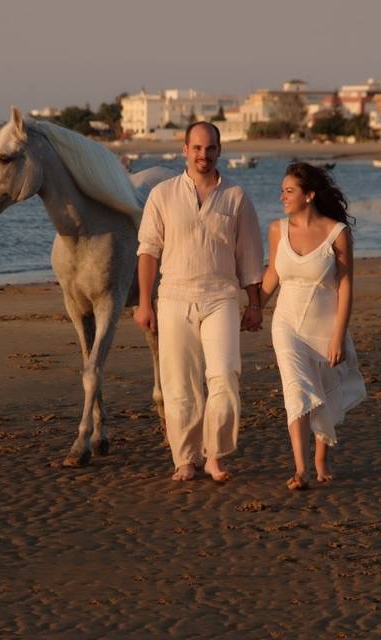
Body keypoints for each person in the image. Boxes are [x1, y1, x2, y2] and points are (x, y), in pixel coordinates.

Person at [133, 121, 265, 482]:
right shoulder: (162, 194)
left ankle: (215, 455)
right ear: (185, 149)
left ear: (219, 150)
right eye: (197, 148)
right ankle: (185, 459)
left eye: (210, 148)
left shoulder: (236, 196)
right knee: (180, 384)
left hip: (221, 296)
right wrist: (144, 303)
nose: (203, 155)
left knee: (224, 374)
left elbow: (250, 256)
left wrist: (254, 305)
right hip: (174, 297)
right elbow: (148, 252)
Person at [257, 163, 366, 490]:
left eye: (289, 191)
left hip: (325, 324)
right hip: (286, 323)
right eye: (282, 191)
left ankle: (321, 459)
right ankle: (301, 468)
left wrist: (338, 336)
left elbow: (346, 286)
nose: (282, 197)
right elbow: (273, 275)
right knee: (296, 389)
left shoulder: (336, 233)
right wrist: (253, 308)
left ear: (309, 195)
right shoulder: (278, 229)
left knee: (323, 387)